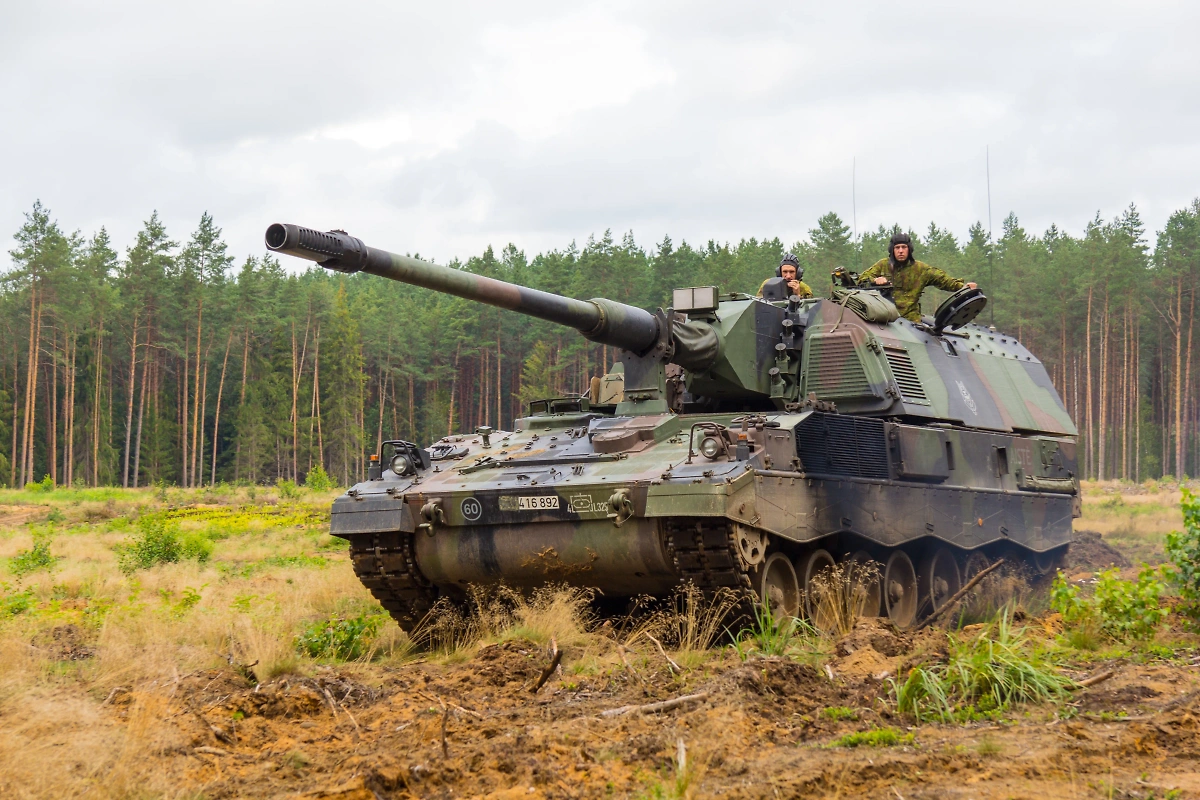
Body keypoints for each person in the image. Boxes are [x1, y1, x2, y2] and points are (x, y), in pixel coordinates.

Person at [857, 233, 976, 323]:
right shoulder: (883, 265)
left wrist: (964, 287)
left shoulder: (920, 269)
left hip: (911, 321)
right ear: (892, 250)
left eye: (904, 247)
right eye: (897, 248)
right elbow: (862, 279)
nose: (901, 251)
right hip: (887, 319)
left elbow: (943, 280)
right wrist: (875, 280)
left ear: (909, 249)